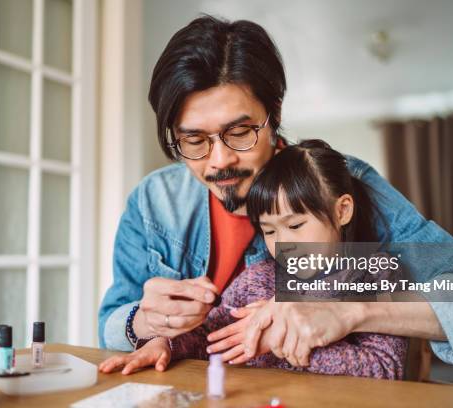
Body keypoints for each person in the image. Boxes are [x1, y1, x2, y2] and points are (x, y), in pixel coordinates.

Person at [98, 15, 453, 369]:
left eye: (240, 132)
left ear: (274, 115)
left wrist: (351, 312)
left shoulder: (343, 184)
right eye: (193, 140)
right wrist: (144, 321)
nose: (218, 160)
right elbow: (110, 323)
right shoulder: (154, 203)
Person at [99, 140, 407, 379]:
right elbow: (209, 335)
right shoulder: (259, 277)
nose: (283, 243)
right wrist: (163, 344)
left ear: (342, 211)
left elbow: (385, 368)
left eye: (296, 225)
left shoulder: (376, 275)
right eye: (269, 231)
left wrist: (286, 341)